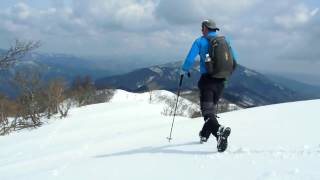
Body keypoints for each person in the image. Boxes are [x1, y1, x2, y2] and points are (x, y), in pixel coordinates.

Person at [181, 19, 237, 152]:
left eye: (202, 28)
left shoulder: (200, 41)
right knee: (210, 111)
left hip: (207, 81)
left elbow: (189, 60)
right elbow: (234, 61)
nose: (201, 31)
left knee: (207, 113)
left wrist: (184, 70)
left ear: (206, 28)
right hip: (221, 81)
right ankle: (204, 135)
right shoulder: (225, 41)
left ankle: (219, 131)